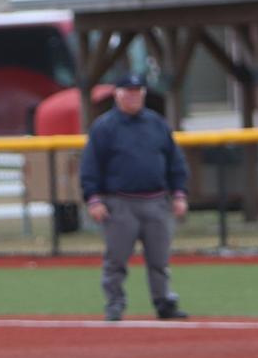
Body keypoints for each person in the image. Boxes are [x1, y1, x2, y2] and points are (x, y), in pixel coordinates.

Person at [80, 73, 190, 322]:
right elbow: (90, 166)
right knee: (116, 259)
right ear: (117, 94)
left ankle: (164, 302)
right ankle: (115, 303)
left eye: (137, 91)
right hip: (120, 203)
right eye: (128, 91)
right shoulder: (104, 127)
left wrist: (180, 193)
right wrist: (93, 199)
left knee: (159, 259)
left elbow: (175, 161)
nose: (133, 95)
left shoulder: (157, 124)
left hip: (156, 201)